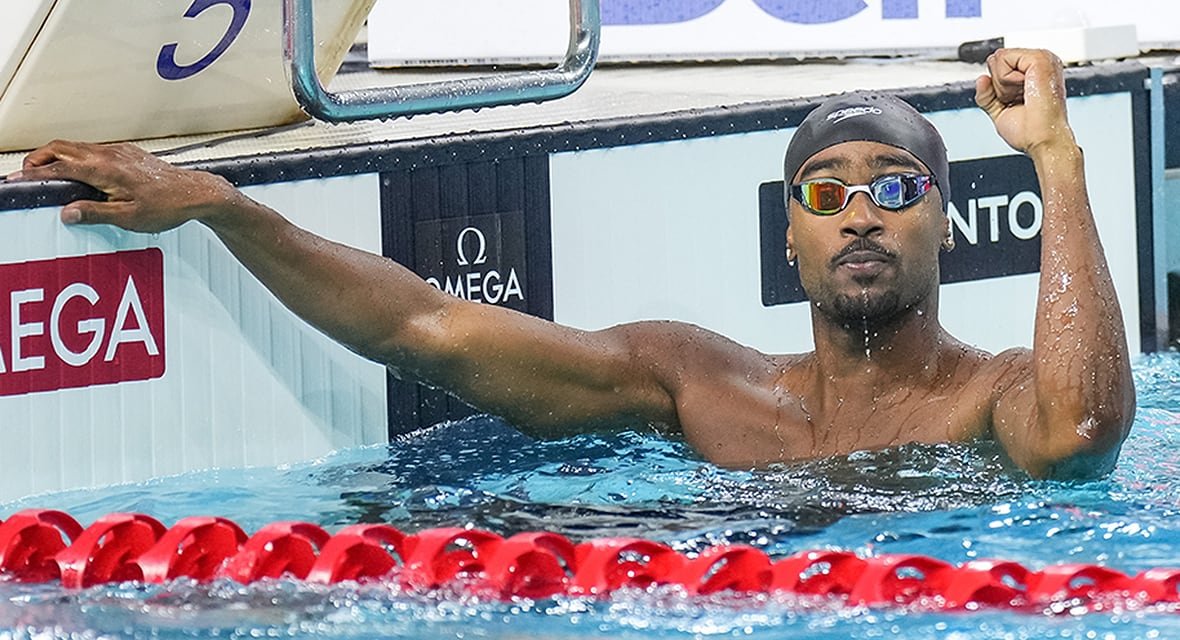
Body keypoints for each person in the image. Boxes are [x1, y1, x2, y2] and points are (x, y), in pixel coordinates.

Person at [8, 48, 1133, 479]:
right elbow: (425, 331)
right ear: (786, 230)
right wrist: (222, 207)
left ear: (944, 219)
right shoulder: (704, 384)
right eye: (825, 192)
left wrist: (1058, 161)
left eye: (894, 188)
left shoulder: (994, 397)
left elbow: (1083, 429)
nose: (859, 216)